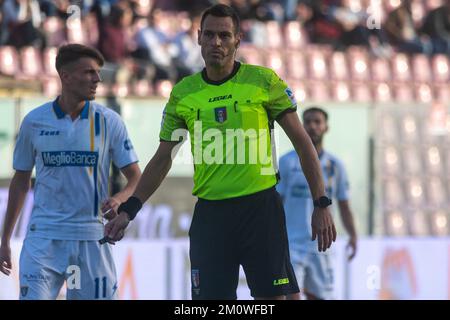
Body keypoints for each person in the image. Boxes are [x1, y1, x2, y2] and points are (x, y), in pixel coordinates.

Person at [105, 4, 336, 300]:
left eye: (225, 36)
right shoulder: (184, 93)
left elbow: (303, 144)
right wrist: (130, 209)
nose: (217, 43)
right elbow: (163, 158)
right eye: (210, 35)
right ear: (199, 38)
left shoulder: (264, 81)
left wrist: (321, 202)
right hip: (211, 215)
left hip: (260, 210)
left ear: (237, 40)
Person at [0, 44, 141, 300]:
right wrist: (5, 239)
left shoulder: (109, 121)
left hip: (91, 238)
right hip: (44, 239)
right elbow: (20, 182)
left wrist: (120, 200)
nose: (97, 79)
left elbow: (136, 177)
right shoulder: (34, 121)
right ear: (65, 76)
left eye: (98, 72)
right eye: (89, 72)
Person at [277, 106, 357, 300]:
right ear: (301, 126)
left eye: (317, 122)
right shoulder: (286, 162)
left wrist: (353, 235)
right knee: (291, 296)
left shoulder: (335, 166)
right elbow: (277, 202)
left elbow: (344, 205)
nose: (312, 126)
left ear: (326, 127)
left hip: (322, 245)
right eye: (308, 121)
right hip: (292, 245)